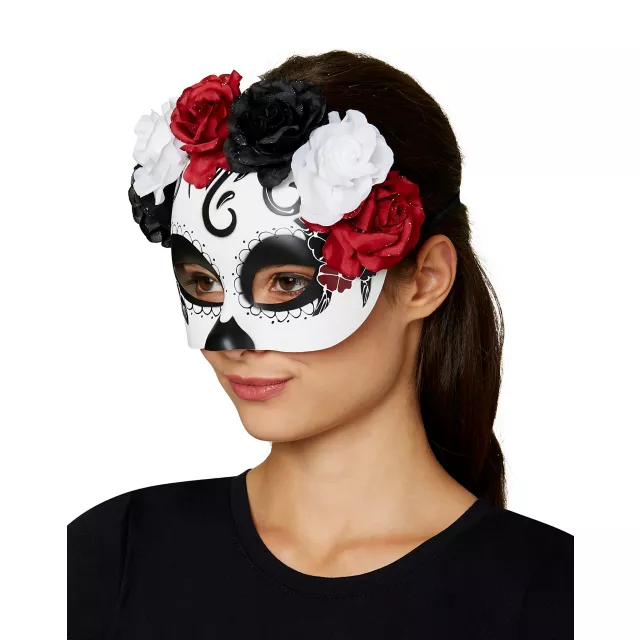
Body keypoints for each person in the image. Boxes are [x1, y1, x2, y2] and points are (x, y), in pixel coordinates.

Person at [68, 50, 574, 639]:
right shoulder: (110, 557)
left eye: (287, 283)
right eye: (203, 283)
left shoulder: (565, 597)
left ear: (426, 280)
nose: (230, 339)